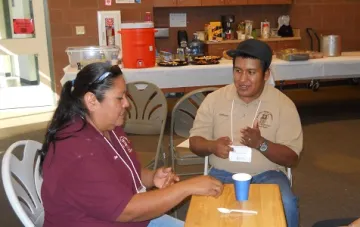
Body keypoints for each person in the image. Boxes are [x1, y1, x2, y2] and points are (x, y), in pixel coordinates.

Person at [39, 62, 224, 227]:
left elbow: (124, 168)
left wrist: (151, 178)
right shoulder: (76, 150)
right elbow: (127, 210)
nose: (127, 104)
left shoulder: (109, 125)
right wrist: (186, 187)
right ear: (92, 101)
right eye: (119, 98)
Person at [189, 39, 303, 227]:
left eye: (251, 72)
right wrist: (212, 146)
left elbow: (291, 158)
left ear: (266, 74)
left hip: (268, 174)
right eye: (238, 71)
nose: (242, 80)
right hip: (222, 173)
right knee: (201, 209)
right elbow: (195, 143)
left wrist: (261, 144)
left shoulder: (284, 105)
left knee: (287, 205)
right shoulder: (215, 99)